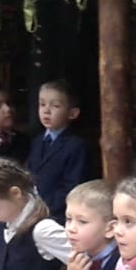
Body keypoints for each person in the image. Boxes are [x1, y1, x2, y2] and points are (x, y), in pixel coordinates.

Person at [27, 79, 89, 223]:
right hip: (31, 210)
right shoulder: (37, 141)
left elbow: (73, 186)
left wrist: (44, 208)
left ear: (72, 113)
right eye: (42, 104)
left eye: (55, 105)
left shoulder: (76, 146)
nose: (46, 110)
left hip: (58, 215)